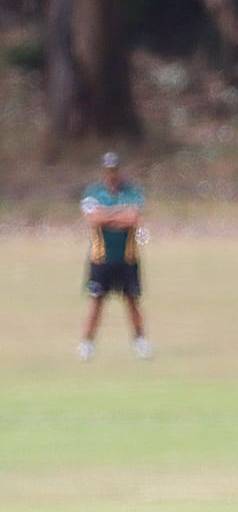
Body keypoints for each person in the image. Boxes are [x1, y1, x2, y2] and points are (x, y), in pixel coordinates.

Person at [78, 152, 149, 361]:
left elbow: (133, 218)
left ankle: (140, 341)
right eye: (109, 171)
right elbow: (94, 218)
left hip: (127, 258)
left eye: (115, 170)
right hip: (101, 258)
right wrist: (118, 214)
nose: (112, 175)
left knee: (132, 301)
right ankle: (87, 343)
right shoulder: (93, 192)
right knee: (96, 302)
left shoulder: (132, 191)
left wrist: (108, 216)